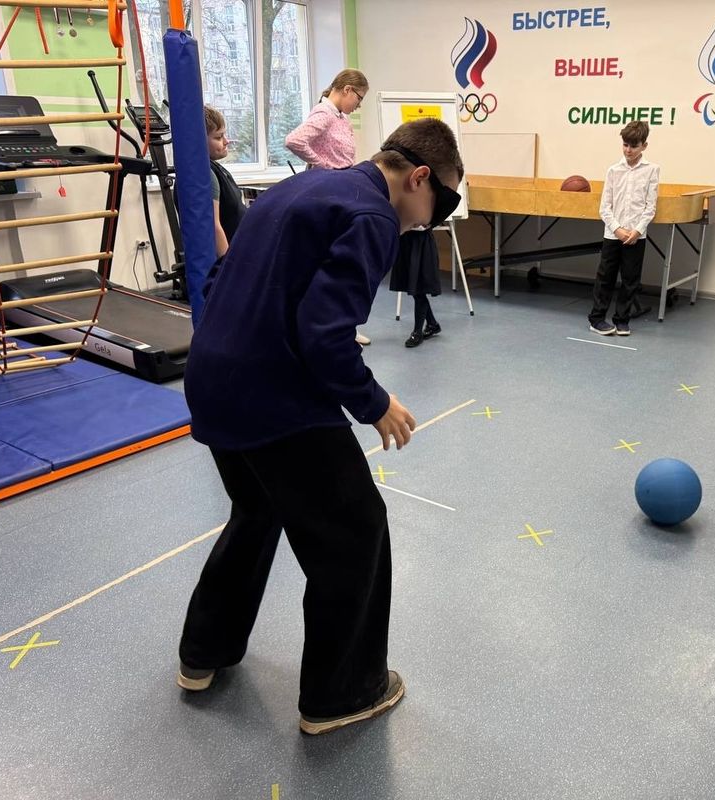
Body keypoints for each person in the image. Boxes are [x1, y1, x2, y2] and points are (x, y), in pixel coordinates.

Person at [175, 117, 464, 736]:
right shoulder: (373, 216)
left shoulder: (297, 187)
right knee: (356, 533)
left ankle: (203, 653)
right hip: (272, 396)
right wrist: (374, 402)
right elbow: (324, 334)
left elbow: (219, 277)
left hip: (211, 377)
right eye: (436, 209)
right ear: (419, 178)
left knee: (256, 510)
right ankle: (342, 694)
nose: (425, 225)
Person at [285, 68, 372, 345]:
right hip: (328, 193)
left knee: (343, 261)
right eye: (359, 98)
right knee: (331, 261)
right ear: (347, 89)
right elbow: (294, 140)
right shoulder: (324, 113)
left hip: (342, 189)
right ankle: (325, 325)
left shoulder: (340, 117)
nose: (358, 105)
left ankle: (342, 325)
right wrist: (324, 166)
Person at [588, 120, 660, 336]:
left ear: (644, 146)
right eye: (625, 145)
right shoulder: (613, 171)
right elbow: (604, 207)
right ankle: (597, 319)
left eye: (634, 146)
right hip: (613, 234)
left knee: (630, 279)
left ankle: (622, 320)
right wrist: (617, 229)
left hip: (636, 236)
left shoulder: (652, 170)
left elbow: (650, 207)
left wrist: (637, 230)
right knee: (605, 277)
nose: (628, 150)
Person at [390, 227, 442, 348]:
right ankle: (432, 324)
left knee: (418, 288)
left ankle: (417, 332)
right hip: (405, 239)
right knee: (415, 287)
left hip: (421, 240)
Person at [205, 106, 246, 258]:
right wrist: (226, 266)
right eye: (218, 137)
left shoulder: (217, 169)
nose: (226, 141)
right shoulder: (207, 175)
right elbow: (214, 226)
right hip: (229, 258)